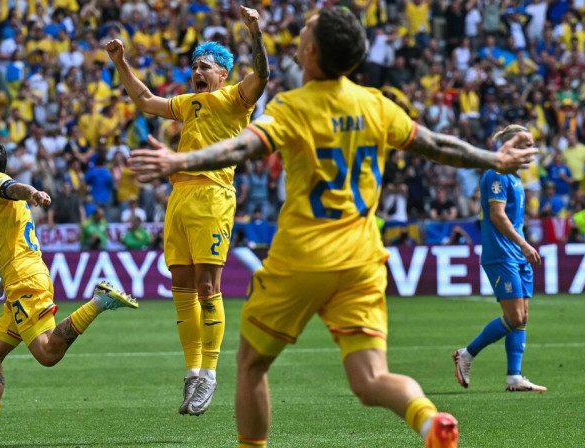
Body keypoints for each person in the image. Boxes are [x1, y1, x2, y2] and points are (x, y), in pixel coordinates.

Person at [129, 7, 538, 448]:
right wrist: (494, 159)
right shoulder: (377, 105)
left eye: (304, 32)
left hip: (301, 257)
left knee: (250, 365)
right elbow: (436, 145)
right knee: (371, 378)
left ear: (309, 51)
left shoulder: (292, 107)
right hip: (361, 261)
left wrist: (180, 161)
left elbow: (243, 146)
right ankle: (427, 420)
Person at [106, 5, 269, 415]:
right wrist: (121, 62)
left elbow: (262, 76)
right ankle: (193, 373)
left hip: (213, 196)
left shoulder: (235, 99)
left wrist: (255, 33)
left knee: (208, 288)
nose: (197, 71)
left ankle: (210, 375)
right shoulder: (186, 104)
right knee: (181, 290)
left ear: (223, 75)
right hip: (179, 198)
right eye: (194, 65)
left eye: (206, 66)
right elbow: (144, 100)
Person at [0, 137, 138, 446]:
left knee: (47, 353)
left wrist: (33, 192)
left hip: (25, 281)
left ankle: (99, 300)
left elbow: (13, 187)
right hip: (21, 279)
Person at [453, 125, 547, 393]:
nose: (530, 150)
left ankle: (514, 377)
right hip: (502, 254)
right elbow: (497, 215)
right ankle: (466, 354)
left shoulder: (515, 177)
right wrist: (525, 244)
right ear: (510, 146)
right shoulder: (496, 175)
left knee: (523, 315)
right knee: (514, 316)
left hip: (516, 254)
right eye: (525, 144)